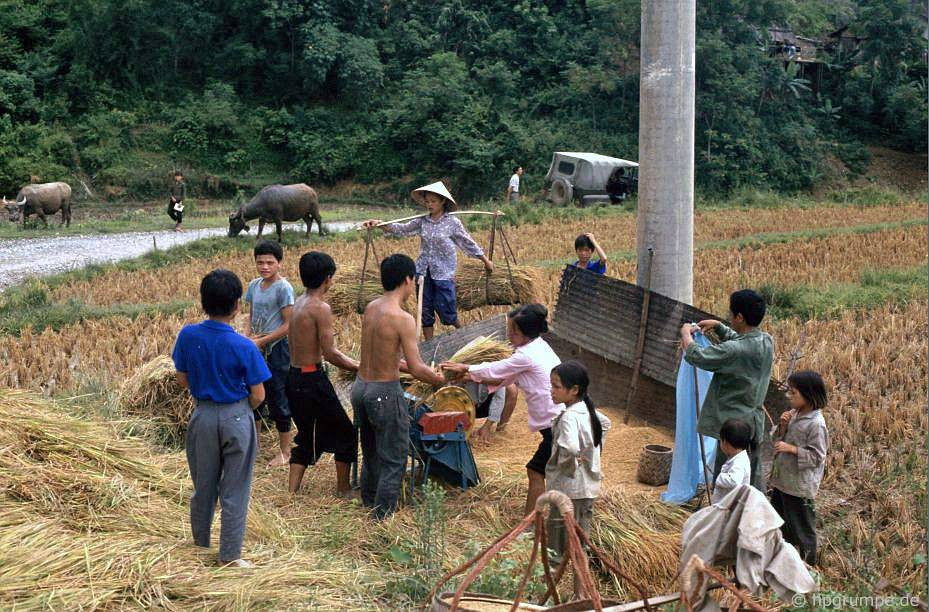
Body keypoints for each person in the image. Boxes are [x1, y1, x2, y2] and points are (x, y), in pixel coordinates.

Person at [172, 269, 270, 568]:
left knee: (203, 485)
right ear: (238, 305)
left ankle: (200, 545)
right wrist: (239, 409)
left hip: (202, 415)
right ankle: (229, 555)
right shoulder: (244, 346)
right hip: (237, 416)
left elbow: (181, 379)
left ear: (203, 302)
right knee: (235, 489)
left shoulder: (188, 335)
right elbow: (259, 394)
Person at [442, 304, 562, 516]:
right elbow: (504, 377)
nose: (508, 335)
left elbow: (498, 369)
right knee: (547, 471)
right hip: (557, 421)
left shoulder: (526, 356)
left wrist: (466, 367)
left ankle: (530, 524)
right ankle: (542, 519)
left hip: (557, 425)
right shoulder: (539, 347)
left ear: (523, 333)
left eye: (511, 331)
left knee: (535, 471)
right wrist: (471, 376)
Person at [351, 253, 446, 520]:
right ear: (407, 279)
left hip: (361, 387)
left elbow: (386, 354)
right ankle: (383, 517)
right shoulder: (402, 318)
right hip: (383, 393)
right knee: (394, 458)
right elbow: (416, 367)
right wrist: (438, 379)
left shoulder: (372, 307)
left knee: (371, 452)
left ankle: (369, 503)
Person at [363, 182, 494, 340]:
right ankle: (429, 344)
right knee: (425, 310)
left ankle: (466, 337)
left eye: (433, 201)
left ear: (442, 201)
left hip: (443, 272)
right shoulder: (422, 221)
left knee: (447, 310)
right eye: (427, 201)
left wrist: (485, 260)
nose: (429, 204)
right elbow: (402, 229)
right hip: (423, 272)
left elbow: (467, 242)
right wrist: (379, 224)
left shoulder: (452, 222)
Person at [680, 289, 775, 489]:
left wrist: (686, 335)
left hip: (733, 428)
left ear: (739, 317)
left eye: (731, 314)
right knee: (751, 477)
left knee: (727, 481)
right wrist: (720, 327)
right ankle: (754, 507)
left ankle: (729, 509)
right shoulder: (766, 341)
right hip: (754, 424)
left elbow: (699, 356)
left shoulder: (734, 351)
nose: (729, 317)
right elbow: (742, 342)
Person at [286, 251, 360, 496]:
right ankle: (344, 489)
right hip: (312, 380)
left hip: (294, 377)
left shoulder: (299, 302)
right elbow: (331, 354)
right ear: (328, 278)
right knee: (347, 433)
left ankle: (291, 493)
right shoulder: (320, 308)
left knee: (308, 434)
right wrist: (359, 367)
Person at [545, 360, 611, 567]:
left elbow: (571, 448)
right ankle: (580, 583)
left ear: (574, 390)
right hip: (586, 490)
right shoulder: (585, 410)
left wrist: (570, 465)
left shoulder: (568, 417)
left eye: (556, 386)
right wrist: (592, 452)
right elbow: (605, 423)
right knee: (580, 547)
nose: (551, 390)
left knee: (555, 549)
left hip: (567, 491)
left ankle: (551, 581)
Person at [244, 240, 295, 467]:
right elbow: (251, 315)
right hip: (256, 347)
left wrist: (262, 341)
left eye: (270, 263)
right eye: (260, 262)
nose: (264, 267)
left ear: (279, 263)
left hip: (276, 349)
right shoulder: (254, 285)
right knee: (254, 394)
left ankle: (285, 451)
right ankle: (254, 445)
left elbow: (288, 325)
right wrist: (247, 337)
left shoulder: (284, 288)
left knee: (277, 395)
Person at [769, 370, 829, 565]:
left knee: (803, 529)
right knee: (779, 524)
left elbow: (817, 457)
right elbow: (776, 438)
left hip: (799, 487)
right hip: (782, 482)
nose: (789, 396)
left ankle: (809, 566)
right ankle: (783, 562)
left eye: (793, 393)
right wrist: (782, 427)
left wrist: (792, 449)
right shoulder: (794, 414)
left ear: (808, 395)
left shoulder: (816, 424)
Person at [710, 418, 752, 504]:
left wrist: (720, 478)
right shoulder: (738, 458)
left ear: (725, 443)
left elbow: (734, 481)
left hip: (729, 506)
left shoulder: (739, 462)